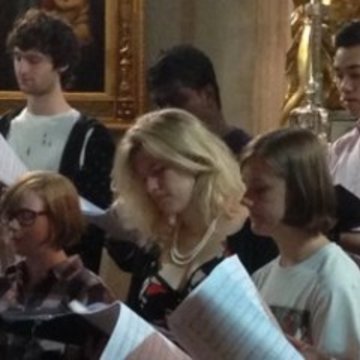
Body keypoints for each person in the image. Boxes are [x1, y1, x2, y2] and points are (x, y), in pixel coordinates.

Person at [146, 44, 278, 274]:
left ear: (207, 95)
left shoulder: (250, 159)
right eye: (161, 106)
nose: (170, 116)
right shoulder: (168, 163)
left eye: (178, 103)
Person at [0, 8, 115, 272]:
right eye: (17, 58)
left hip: (63, 279)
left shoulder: (89, 136)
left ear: (61, 64)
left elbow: (96, 223)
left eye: (33, 60)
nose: (23, 69)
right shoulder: (4, 128)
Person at [111, 108, 249, 328]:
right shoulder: (156, 241)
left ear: (194, 159)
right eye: (143, 178)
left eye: (158, 171)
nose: (151, 187)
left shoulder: (252, 232)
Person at [241, 128, 360, 359]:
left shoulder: (335, 281)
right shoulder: (262, 277)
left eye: (260, 189)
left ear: (300, 190)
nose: (245, 199)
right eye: (244, 187)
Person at [0, 170, 114, 359]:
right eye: (9, 216)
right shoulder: (6, 284)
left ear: (58, 218)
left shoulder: (89, 291)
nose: (13, 225)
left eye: (25, 216)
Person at [329, 19, 360, 255]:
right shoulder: (340, 149)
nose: (345, 86)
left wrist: (336, 237)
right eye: (339, 75)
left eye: (356, 75)